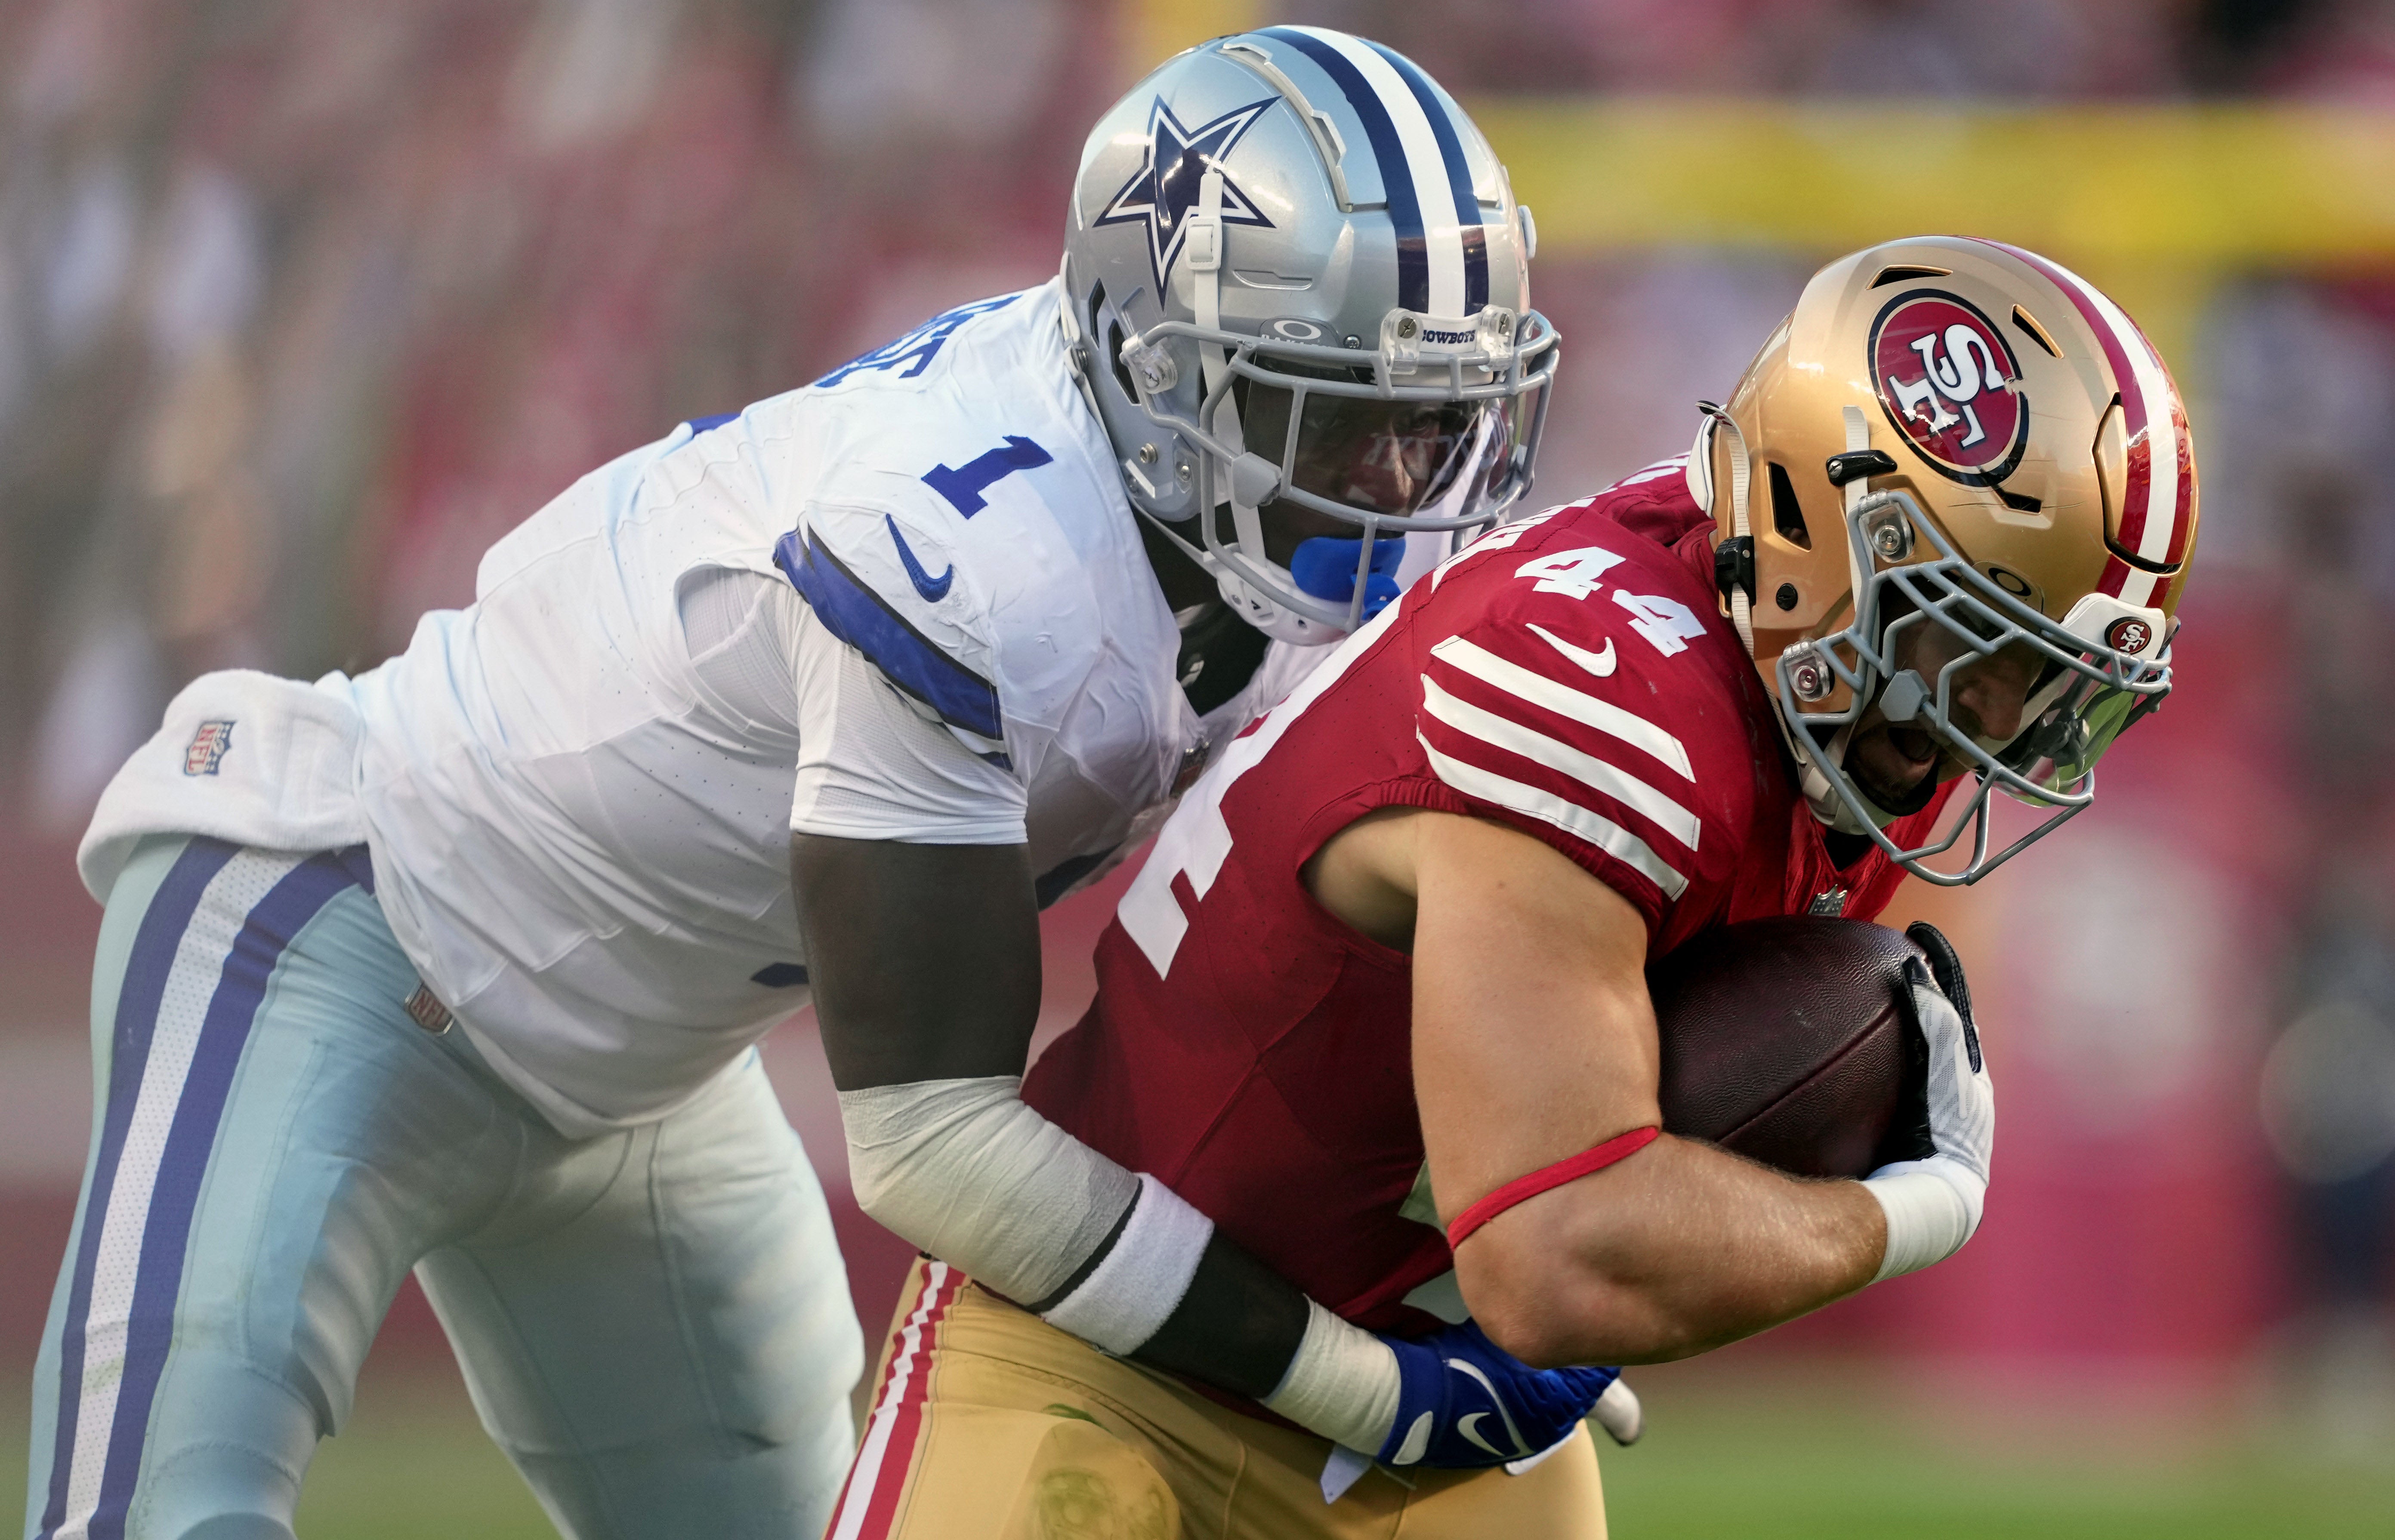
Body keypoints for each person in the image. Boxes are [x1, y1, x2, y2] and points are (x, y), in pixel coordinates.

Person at [27, 28, 1556, 1540]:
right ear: (1162, 371)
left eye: (1435, 422)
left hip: (653, 1071)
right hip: (340, 917)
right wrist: (1360, 1387)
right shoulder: (976, 555)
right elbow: (941, 1146)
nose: (1405, 491)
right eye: (1342, 421)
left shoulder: (1193, 504)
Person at [815, 235, 2200, 1537]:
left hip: (1436, 1411)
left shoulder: (1821, 676)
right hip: (1119, 1353)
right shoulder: (1609, 702)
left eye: (2056, 678)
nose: (2007, 722)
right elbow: (1555, 1255)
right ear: (1815, 529)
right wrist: (1912, 1212)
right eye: (1977, 642)